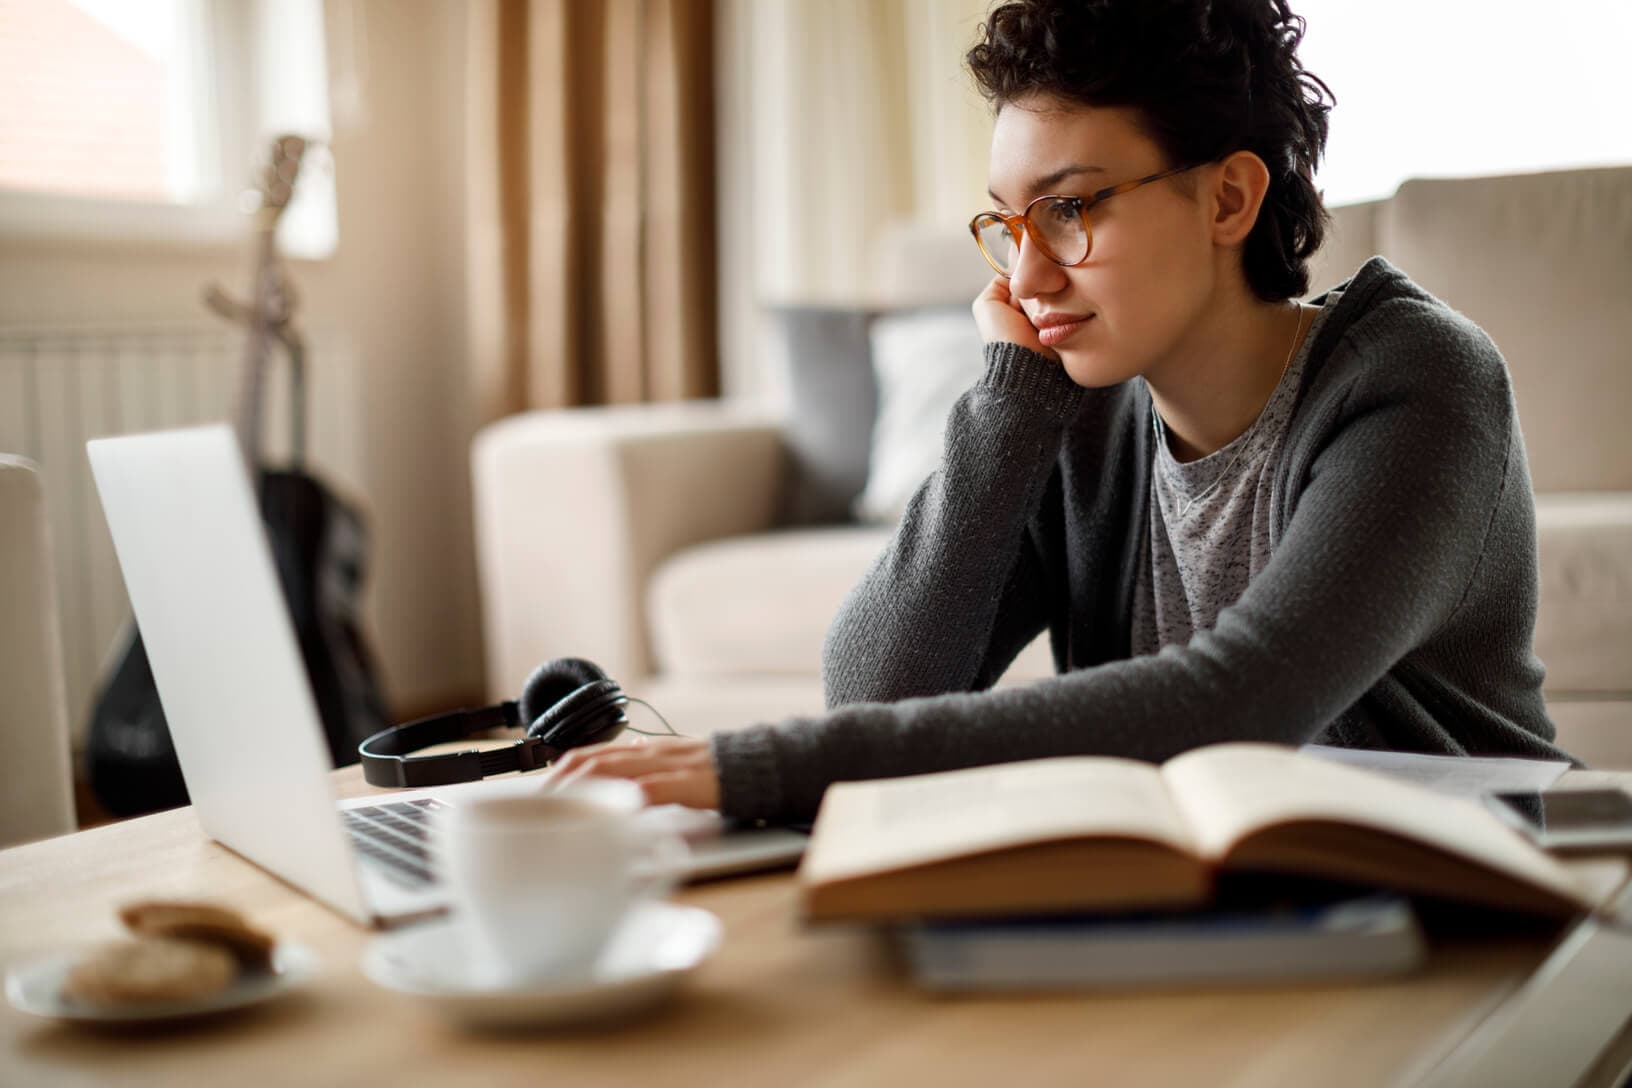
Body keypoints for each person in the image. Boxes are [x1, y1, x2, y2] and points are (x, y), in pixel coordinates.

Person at [546, 0, 1571, 820]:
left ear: (1227, 200)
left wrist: (758, 763)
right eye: (1010, 220)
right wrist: (1008, 405)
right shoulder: (1075, 403)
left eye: (1073, 208)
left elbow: (1243, 698)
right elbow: (876, 692)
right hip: (1217, 908)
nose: (1028, 273)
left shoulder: (1418, 379)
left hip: (1475, 906)